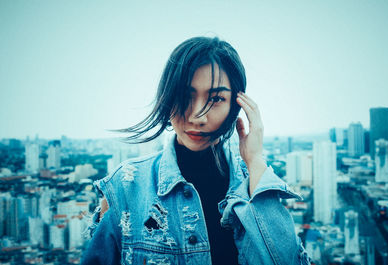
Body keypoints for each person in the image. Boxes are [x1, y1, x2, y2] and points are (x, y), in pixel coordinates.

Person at [81, 36, 311, 265]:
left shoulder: (252, 182)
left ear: (236, 105)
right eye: (184, 96)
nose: (197, 116)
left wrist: (255, 161)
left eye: (217, 99)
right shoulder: (126, 185)